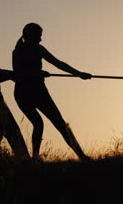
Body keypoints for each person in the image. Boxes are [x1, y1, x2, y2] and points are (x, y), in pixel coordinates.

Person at [12, 23, 92, 161]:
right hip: (24, 93)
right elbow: (17, 74)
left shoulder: (39, 48)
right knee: (39, 123)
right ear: (30, 35)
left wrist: (78, 74)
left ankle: (82, 156)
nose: (40, 40)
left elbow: (58, 63)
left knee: (60, 124)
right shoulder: (17, 51)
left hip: (39, 92)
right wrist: (37, 73)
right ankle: (35, 158)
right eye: (39, 36)